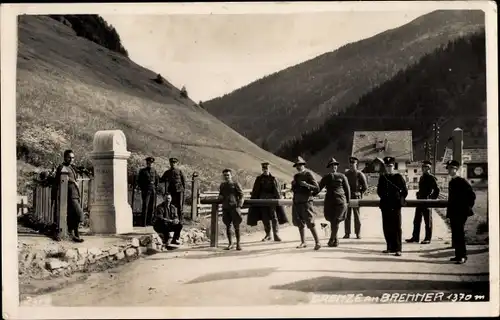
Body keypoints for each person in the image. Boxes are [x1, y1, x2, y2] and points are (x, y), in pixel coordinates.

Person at [247, 162, 288, 241]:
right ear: (262, 169)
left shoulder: (273, 178)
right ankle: (268, 234)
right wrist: (255, 200)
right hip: (262, 201)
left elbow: (277, 191)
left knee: (274, 217)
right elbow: (255, 191)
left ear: (269, 169)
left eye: (267, 169)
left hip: (272, 201)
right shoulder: (259, 179)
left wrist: (278, 200)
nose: (265, 170)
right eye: (264, 169)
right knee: (264, 218)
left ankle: (276, 234)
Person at [445, 160, 476, 264]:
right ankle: (458, 255)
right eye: (448, 168)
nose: (449, 170)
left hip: (460, 213)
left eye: (451, 168)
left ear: (456, 169)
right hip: (454, 212)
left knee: (460, 234)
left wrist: (466, 209)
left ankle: (463, 256)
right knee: (456, 234)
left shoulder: (462, 181)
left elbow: (472, 196)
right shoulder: (452, 181)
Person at [315, 158, 350, 247]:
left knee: (337, 220)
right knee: (332, 221)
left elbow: (347, 189)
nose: (333, 167)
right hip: (330, 202)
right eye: (331, 165)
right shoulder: (326, 177)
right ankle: (336, 240)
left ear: (337, 167)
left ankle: (331, 239)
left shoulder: (342, 176)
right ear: (329, 167)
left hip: (340, 201)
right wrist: (311, 194)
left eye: (335, 165)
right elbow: (319, 188)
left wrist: (348, 202)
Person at [376, 156, 408, 256]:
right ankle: (389, 247)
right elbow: (379, 191)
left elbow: (405, 191)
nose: (388, 168)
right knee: (387, 226)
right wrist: (385, 198)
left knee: (397, 227)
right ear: (385, 167)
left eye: (390, 166)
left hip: (395, 205)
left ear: (393, 166)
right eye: (387, 166)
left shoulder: (398, 177)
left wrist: (398, 199)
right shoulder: (382, 177)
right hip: (385, 205)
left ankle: (398, 248)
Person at [51, 149, 85, 242]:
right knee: (80, 215)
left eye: (73, 157)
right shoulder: (61, 167)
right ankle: (72, 233)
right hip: (69, 195)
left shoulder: (72, 167)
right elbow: (60, 177)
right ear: (65, 157)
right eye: (69, 157)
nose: (71, 159)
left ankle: (75, 235)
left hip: (75, 194)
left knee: (73, 216)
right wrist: (73, 180)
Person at [406, 160, 440, 244]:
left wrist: (431, 199)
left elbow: (437, 190)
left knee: (427, 221)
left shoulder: (431, 177)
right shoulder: (422, 177)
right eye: (424, 167)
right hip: (420, 201)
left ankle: (427, 238)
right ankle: (415, 237)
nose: (425, 169)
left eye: (427, 168)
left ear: (429, 168)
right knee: (417, 220)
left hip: (427, 201)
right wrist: (418, 193)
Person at [291, 156, 321, 250]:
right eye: (297, 166)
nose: (298, 167)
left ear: (303, 165)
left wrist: (306, 185)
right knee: (299, 222)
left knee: (310, 221)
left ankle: (317, 242)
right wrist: (293, 186)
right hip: (297, 201)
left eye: (300, 165)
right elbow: (294, 189)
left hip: (306, 202)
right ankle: (303, 242)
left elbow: (317, 188)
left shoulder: (309, 174)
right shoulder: (296, 176)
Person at [218, 169, 245, 250]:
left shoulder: (235, 184)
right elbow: (221, 194)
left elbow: (241, 195)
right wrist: (220, 197)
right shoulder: (222, 185)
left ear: (231, 175)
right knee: (228, 226)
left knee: (237, 226)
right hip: (226, 208)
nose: (226, 177)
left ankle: (238, 244)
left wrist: (239, 205)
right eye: (225, 175)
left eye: (228, 175)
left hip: (234, 207)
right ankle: (230, 244)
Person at [344, 156, 368, 239]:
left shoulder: (359, 174)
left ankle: (358, 233)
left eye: (353, 164)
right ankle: (347, 233)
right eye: (350, 164)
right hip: (347, 197)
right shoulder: (346, 174)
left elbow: (365, 187)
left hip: (356, 197)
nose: (352, 165)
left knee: (357, 216)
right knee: (347, 215)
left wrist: (359, 193)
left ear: (356, 164)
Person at [137, 157, 159, 226]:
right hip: (146, 191)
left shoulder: (154, 170)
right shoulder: (143, 171)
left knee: (152, 207)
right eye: (149, 163)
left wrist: (155, 187)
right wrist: (142, 188)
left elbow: (157, 179)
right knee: (145, 206)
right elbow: (139, 181)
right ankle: (144, 222)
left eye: (151, 163)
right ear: (147, 163)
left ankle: (149, 222)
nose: (150, 164)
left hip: (153, 190)